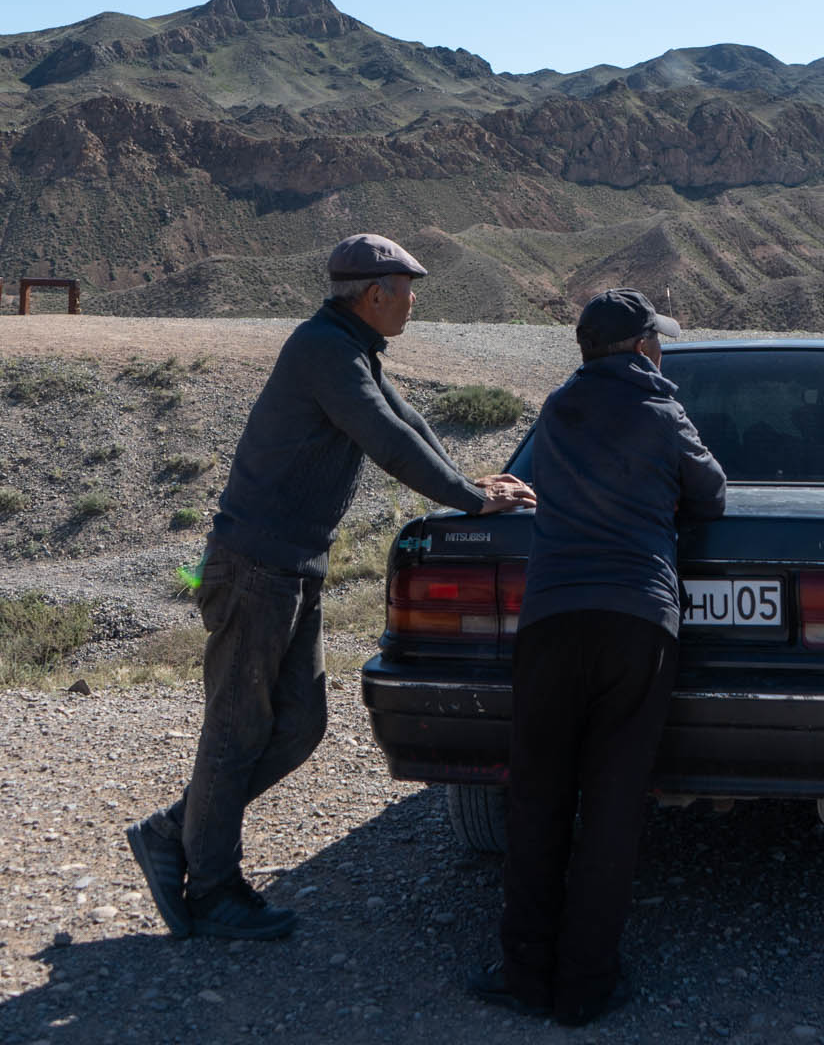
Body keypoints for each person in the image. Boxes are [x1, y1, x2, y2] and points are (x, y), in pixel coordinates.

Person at [126, 232, 534, 941]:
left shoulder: (352, 348)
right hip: (256, 567)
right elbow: (387, 441)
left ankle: (174, 831)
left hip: (289, 566)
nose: (413, 303)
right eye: (407, 292)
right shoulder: (323, 350)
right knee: (236, 732)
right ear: (374, 294)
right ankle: (212, 889)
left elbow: (408, 422)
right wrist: (471, 502)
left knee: (300, 724)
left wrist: (469, 483)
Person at [471, 288, 726, 1027]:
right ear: (643, 347)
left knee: (536, 800)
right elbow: (710, 494)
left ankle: (524, 973)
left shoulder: (557, 408)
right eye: (658, 341)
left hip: (551, 620)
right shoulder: (661, 411)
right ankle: (586, 986)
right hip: (635, 623)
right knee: (612, 806)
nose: (662, 351)